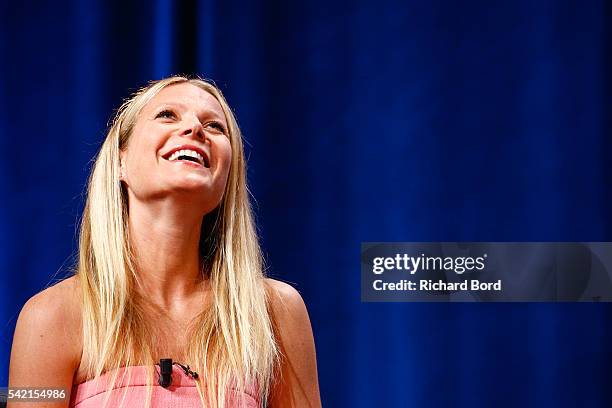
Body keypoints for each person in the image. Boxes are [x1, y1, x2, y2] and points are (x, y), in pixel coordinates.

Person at [8, 76, 321, 407]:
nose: (195, 129)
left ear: (229, 176)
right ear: (120, 161)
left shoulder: (276, 311)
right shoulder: (51, 316)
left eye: (215, 126)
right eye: (168, 115)